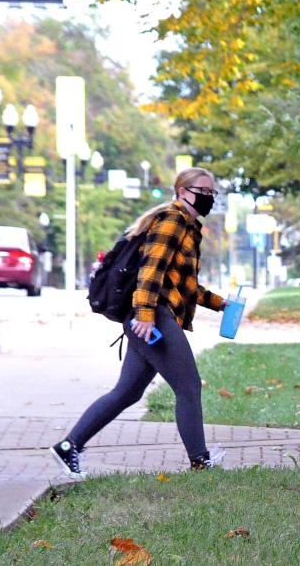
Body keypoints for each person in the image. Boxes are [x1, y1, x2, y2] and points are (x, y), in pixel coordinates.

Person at [50, 167, 228, 478]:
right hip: (153, 317)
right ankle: (200, 462)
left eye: (213, 193)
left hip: (150, 315)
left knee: (127, 392)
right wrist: (145, 314)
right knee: (188, 389)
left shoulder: (186, 225)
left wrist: (218, 303)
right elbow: (150, 270)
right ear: (183, 191)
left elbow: (183, 283)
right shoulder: (173, 220)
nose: (209, 198)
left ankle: (69, 446)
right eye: (204, 191)